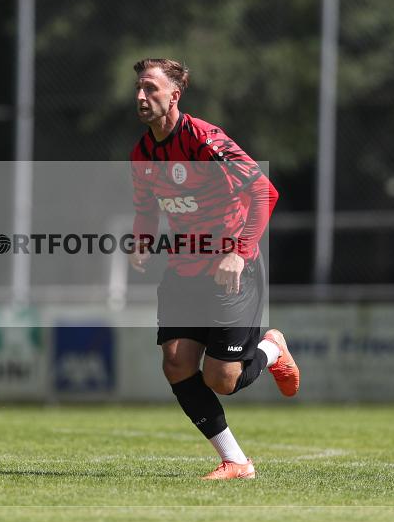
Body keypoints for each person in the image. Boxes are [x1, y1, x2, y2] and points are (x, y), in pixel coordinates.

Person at [128, 58, 300, 480]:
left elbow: (265, 191)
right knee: (175, 364)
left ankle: (272, 348)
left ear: (174, 95)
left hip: (230, 271)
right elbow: (147, 208)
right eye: (138, 88)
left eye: (150, 88)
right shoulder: (142, 153)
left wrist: (239, 252)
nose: (140, 96)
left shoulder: (205, 140)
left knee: (221, 379)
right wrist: (142, 241)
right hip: (184, 269)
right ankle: (236, 462)